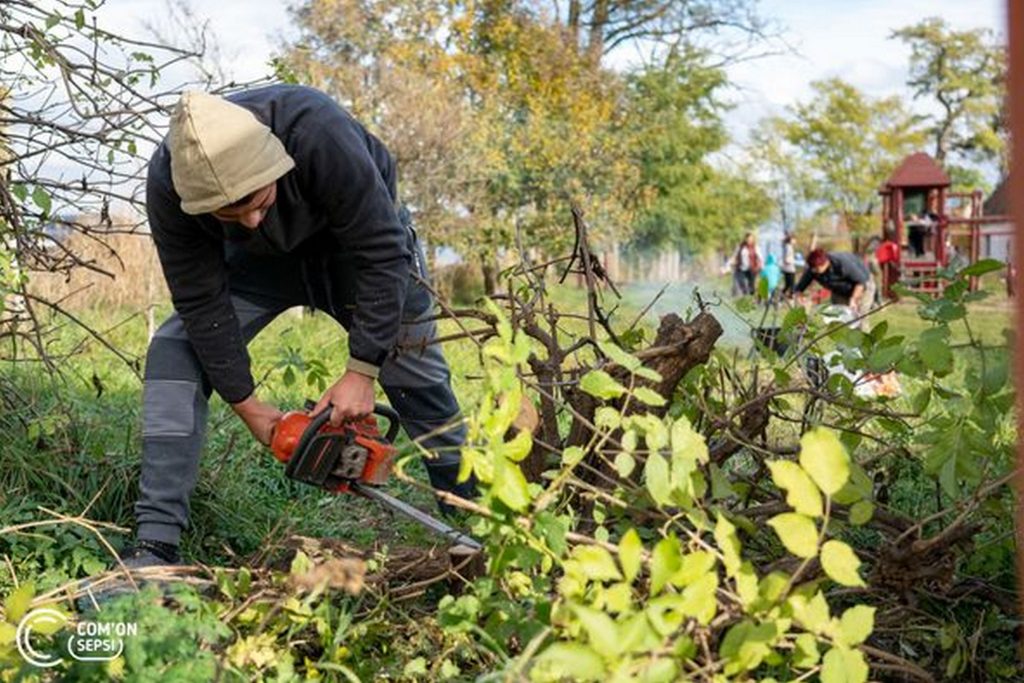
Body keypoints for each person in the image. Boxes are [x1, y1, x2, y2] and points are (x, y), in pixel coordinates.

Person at [124, 85, 476, 569]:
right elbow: (200, 300)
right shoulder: (171, 182)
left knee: (420, 383)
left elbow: (382, 250)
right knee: (173, 352)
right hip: (258, 267)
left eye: (257, 202)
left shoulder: (315, 130)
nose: (248, 219)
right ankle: (154, 545)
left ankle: (480, 532)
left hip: (360, 256)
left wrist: (361, 372)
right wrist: (251, 410)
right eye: (230, 213)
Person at [794, 248, 875, 315]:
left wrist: (853, 299)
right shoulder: (812, 269)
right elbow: (799, 289)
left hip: (862, 287)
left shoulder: (842, 263)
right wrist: (800, 298)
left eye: (816, 269)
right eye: (812, 269)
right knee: (839, 318)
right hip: (839, 290)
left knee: (858, 318)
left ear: (825, 263)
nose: (814, 271)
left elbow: (860, 282)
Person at [875, 228, 901, 301]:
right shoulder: (892, 245)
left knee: (881, 279)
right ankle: (883, 296)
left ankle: (883, 295)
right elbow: (894, 256)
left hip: (879, 261)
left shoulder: (884, 244)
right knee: (881, 280)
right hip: (881, 262)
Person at [781, 233, 797, 297]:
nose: (795, 241)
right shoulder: (788, 247)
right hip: (790, 268)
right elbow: (786, 258)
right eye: (794, 239)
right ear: (791, 240)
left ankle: (781, 297)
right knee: (792, 285)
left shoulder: (786, 246)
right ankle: (790, 297)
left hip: (787, 268)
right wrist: (791, 261)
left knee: (788, 285)